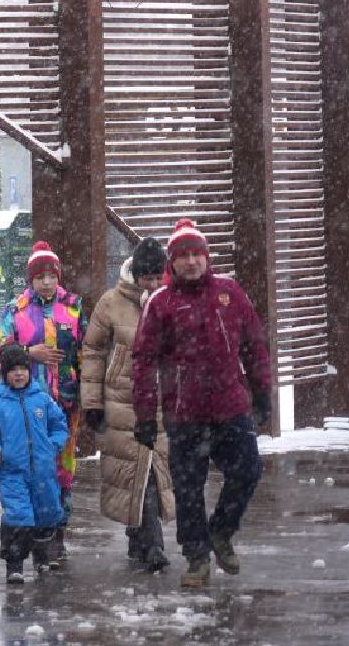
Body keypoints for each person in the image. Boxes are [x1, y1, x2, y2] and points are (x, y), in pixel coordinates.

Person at [130, 219, 271, 589]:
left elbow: (254, 345)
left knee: (248, 471)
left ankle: (222, 531)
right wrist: (145, 415)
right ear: (172, 263)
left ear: (207, 258)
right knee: (188, 489)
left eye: (197, 254)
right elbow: (143, 362)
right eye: (184, 256)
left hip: (231, 406)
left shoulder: (230, 293)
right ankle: (196, 557)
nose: (192, 262)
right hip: (185, 413)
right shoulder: (160, 304)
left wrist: (262, 392)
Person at [0, 241, 88, 564]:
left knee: (62, 471)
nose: (46, 282)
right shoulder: (15, 310)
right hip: (27, 409)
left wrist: (88, 392)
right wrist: (30, 354)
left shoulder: (73, 307)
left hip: (66, 407)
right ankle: (28, 536)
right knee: (30, 471)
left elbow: (88, 352)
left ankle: (56, 535)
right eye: (40, 275)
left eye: (51, 275)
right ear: (31, 278)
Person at [80, 238, 175, 573]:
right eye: (147, 277)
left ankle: (142, 538)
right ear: (135, 274)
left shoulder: (172, 301)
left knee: (151, 470)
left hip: (162, 402)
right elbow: (92, 353)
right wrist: (92, 404)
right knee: (135, 472)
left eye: (157, 277)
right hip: (121, 401)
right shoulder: (110, 304)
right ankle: (151, 545)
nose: (152, 283)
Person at [0, 344, 70, 584]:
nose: (19, 374)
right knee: (18, 516)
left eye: (23, 369)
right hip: (13, 473)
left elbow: (59, 425)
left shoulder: (43, 401)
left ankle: (41, 557)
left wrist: (53, 445)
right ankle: (14, 563)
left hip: (43, 472)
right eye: (13, 370)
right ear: (5, 374)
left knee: (46, 513)